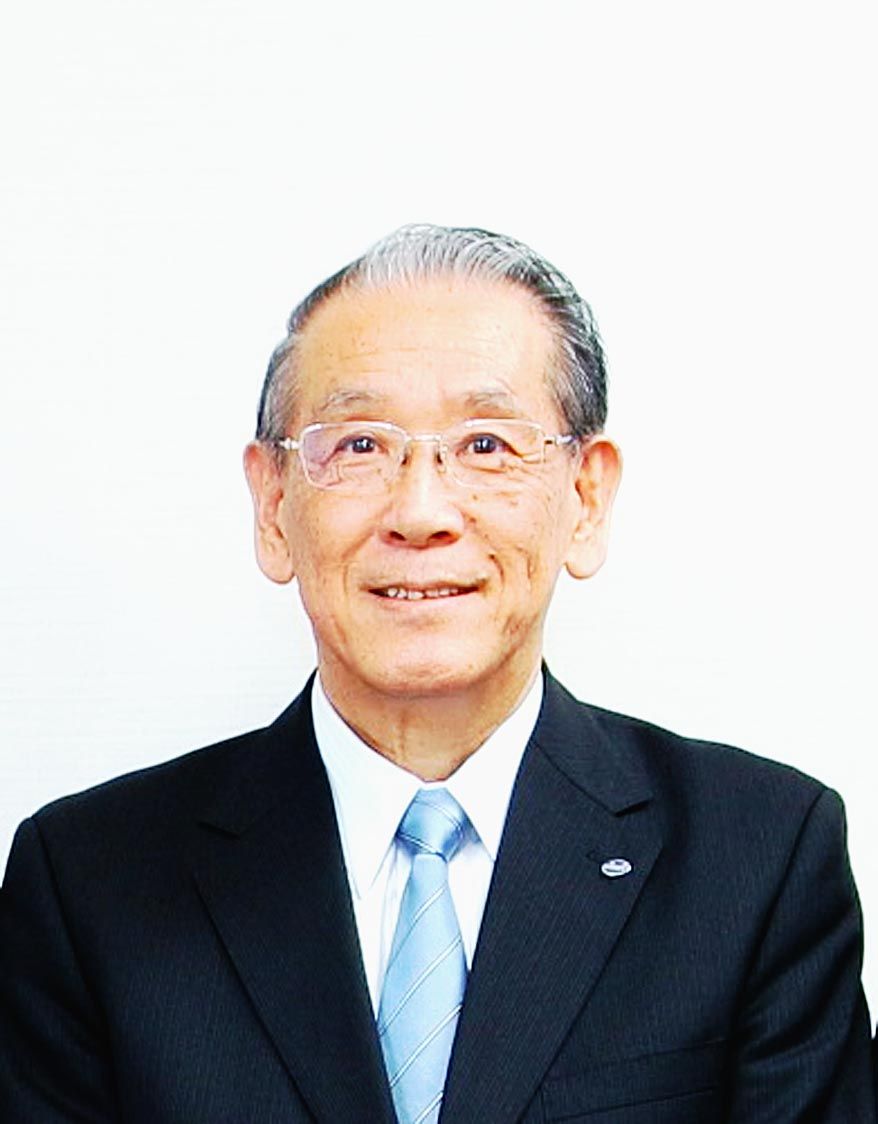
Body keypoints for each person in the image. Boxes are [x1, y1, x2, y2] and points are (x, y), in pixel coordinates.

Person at [0, 224, 873, 1123]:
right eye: (359, 447)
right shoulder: (90, 886)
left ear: (584, 499)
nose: (420, 512)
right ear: (273, 504)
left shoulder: (757, 860)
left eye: (487, 445)